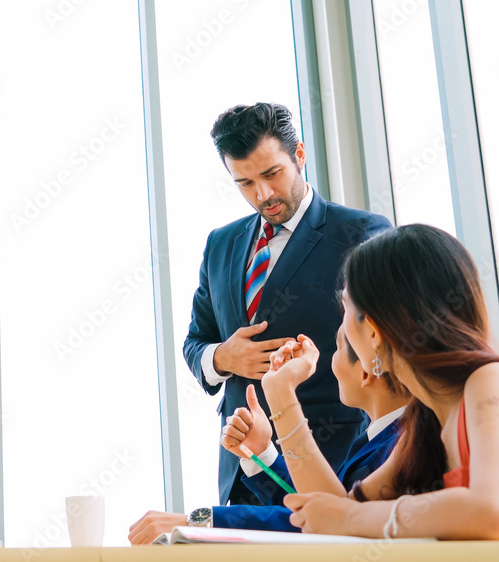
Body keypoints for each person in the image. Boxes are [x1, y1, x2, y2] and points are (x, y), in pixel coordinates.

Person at [183, 102, 392, 506]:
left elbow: (385, 344)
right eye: (244, 183)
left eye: (271, 174)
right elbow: (196, 341)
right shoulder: (220, 244)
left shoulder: (360, 233)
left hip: (331, 459)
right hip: (242, 466)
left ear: (299, 154)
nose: (262, 194)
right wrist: (223, 358)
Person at [284, 225, 499, 540]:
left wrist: (353, 516)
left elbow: (490, 512)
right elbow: (336, 510)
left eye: (345, 308)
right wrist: (281, 395)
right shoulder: (423, 419)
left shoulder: (487, 380)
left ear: (373, 331)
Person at [129, 326, 409, 542]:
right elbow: (315, 511)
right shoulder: (378, 440)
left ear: (366, 370)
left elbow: (331, 525)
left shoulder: (401, 449)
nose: (328, 362)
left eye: (336, 347)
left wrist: (198, 522)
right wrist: (262, 453)